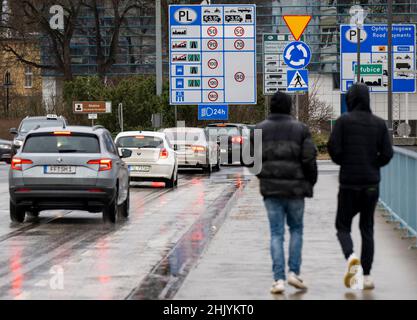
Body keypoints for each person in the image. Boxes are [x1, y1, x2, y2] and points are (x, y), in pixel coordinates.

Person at [328, 83, 393, 290]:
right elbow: (388, 153)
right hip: (371, 184)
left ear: (351, 100)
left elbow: (333, 148)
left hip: (348, 183)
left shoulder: (343, 122)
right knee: (367, 228)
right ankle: (367, 275)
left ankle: (351, 257)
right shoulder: (379, 124)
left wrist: (343, 162)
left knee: (342, 226)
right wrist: (374, 164)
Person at [255, 91, 318, 294]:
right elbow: (309, 159)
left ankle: (279, 279)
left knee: (276, 233)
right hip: (296, 189)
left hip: (271, 190)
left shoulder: (259, 129)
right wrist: (310, 181)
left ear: (271, 107)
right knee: (296, 230)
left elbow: (249, 160)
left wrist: (263, 175)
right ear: (289, 106)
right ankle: (294, 273)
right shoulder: (301, 129)